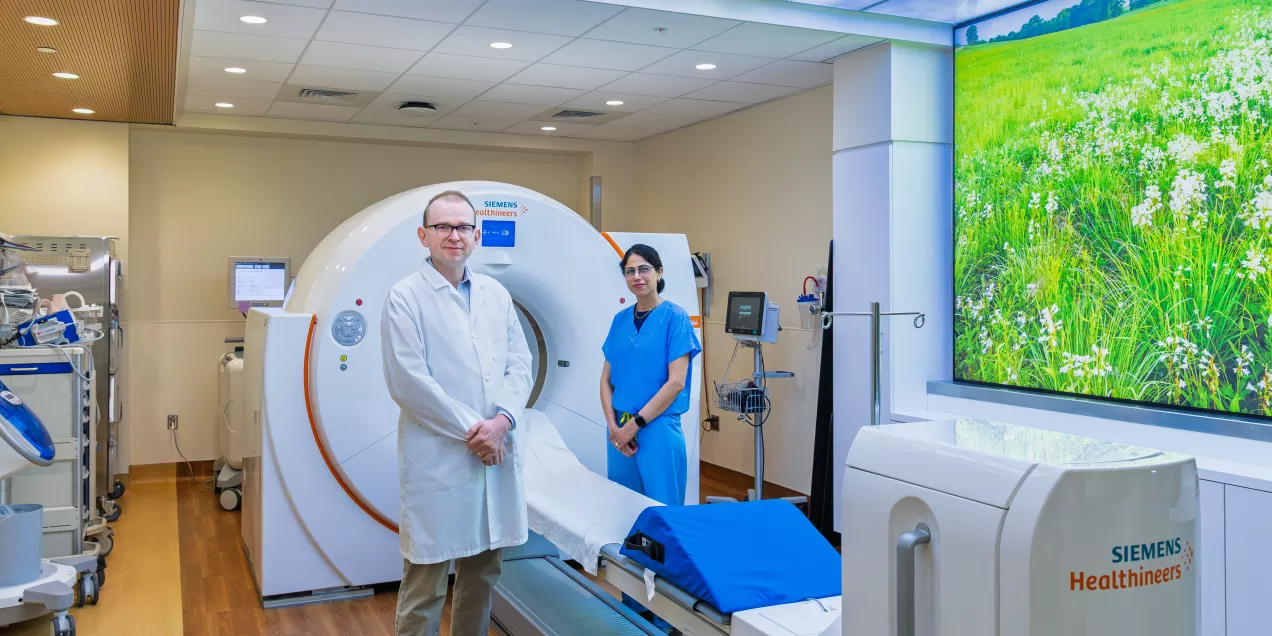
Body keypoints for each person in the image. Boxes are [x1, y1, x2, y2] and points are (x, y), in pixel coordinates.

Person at [381, 190, 534, 636]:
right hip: (441, 457)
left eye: (463, 227)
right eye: (443, 227)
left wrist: (502, 421)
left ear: (477, 235)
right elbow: (410, 382)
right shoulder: (404, 296)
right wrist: (479, 432)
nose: (454, 235)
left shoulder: (495, 293)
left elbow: (519, 364)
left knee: (482, 578)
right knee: (426, 584)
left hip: (495, 450)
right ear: (423, 235)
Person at [600, 243, 702, 634]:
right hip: (620, 431)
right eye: (630, 271)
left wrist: (634, 426)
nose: (637, 276)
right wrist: (614, 426)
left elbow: (676, 381)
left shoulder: (675, 318)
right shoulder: (620, 320)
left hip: (656, 430)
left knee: (661, 520)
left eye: (644, 269)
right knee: (629, 518)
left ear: (659, 272)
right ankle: (633, 606)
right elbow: (606, 380)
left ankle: (668, 615)